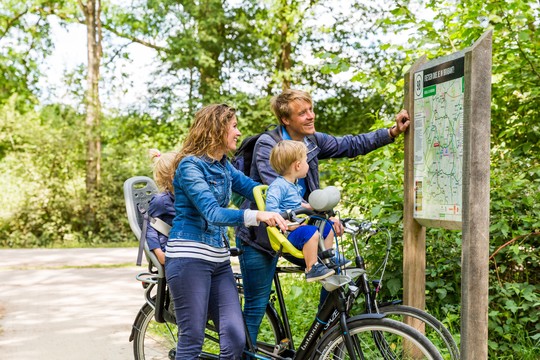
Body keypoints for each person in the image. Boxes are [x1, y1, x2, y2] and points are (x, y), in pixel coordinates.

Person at [236, 89, 410, 346]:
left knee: (336, 271)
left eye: (310, 110)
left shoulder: (311, 141)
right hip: (262, 237)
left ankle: (320, 344)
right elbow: (278, 191)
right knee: (256, 306)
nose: (310, 116)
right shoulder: (268, 144)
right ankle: (240, 354)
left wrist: (391, 132)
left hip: (300, 228)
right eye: (302, 113)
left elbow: (350, 145)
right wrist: (322, 212)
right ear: (286, 120)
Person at [165, 104, 287, 360]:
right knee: (192, 339)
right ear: (216, 129)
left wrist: (298, 204)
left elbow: (256, 189)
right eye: (233, 126)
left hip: (218, 260)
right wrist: (258, 215)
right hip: (189, 258)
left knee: (234, 337)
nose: (238, 132)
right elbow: (213, 213)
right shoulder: (190, 167)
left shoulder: (224, 165)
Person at [266, 140, 336, 282]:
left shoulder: (293, 184)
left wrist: (309, 207)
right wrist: (291, 224)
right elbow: (271, 211)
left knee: (328, 226)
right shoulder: (278, 186)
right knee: (311, 232)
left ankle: (326, 258)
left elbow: (296, 204)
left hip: (299, 228)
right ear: (298, 165)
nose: (308, 165)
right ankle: (312, 267)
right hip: (290, 233)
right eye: (306, 161)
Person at [146, 148, 177, 265]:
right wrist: (159, 254)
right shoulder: (161, 201)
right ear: (172, 176)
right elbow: (150, 228)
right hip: (170, 250)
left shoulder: (189, 197)